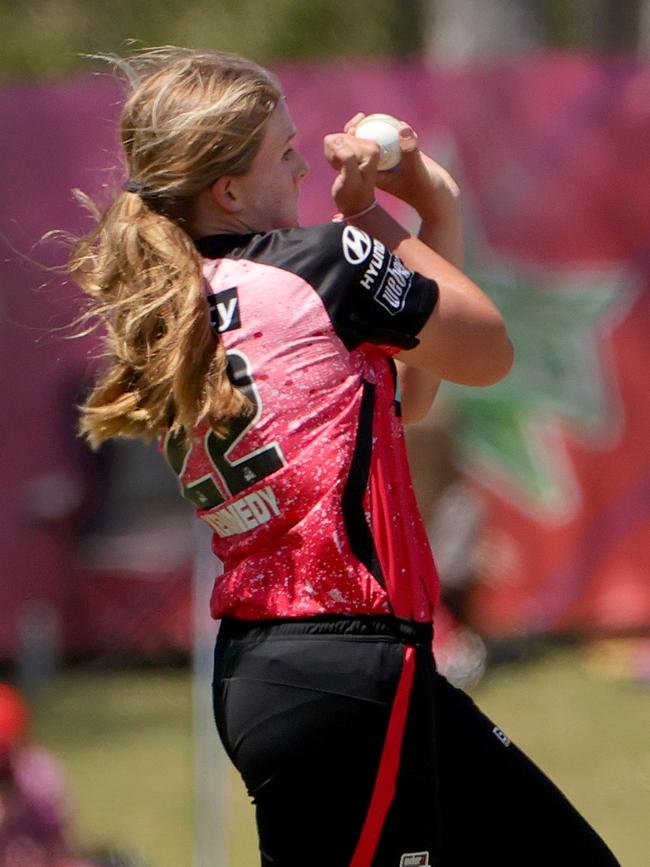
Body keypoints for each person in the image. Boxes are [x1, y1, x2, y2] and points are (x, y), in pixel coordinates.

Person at [68, 47, 619, 867]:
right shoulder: (319, 261)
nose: (301, 168)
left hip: (310, 670)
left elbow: (415, 391)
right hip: (346, 669)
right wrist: (390, 209)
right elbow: (489, 349)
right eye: (285, 153)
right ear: (227, 189)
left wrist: (436, 219)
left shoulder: (188, 305)